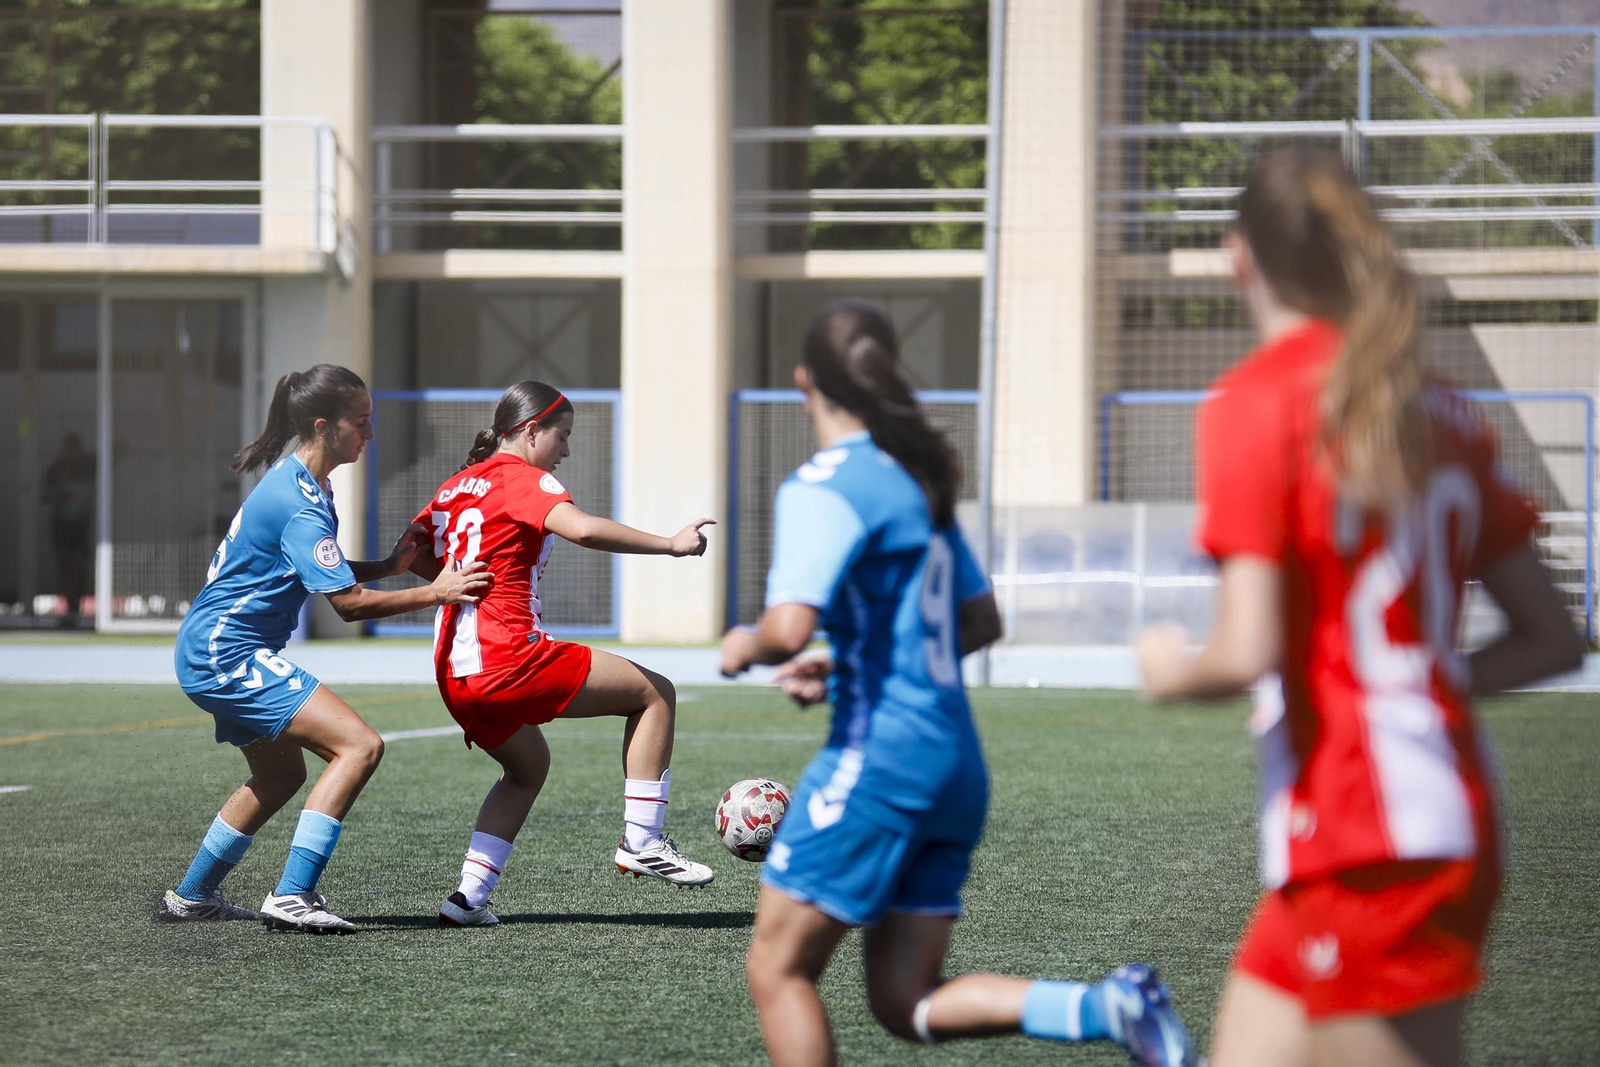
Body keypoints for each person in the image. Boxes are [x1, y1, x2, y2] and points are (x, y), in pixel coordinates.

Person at [1134, 147, 1587, 1067]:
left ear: (1238, 256)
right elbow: (1553, 637)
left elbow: (1244, 648)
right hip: (1392, 818)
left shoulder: (1258, 399)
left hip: (1371, 836)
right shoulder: (1442, 409)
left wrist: (1167, 668)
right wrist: (1421, 683)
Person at [720, 301, 1197, 1067]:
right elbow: (979, 620)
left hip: (882, 758)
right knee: (904, 999)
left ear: (805, 380)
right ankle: (1107, 1004)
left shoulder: (822, 483)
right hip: (954, 767)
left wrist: (744, 642)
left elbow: (786, 626)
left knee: (777, 969)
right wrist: (848, 661)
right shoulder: (915, 482)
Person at [165, 364, 491, 934]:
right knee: (359, 746)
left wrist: (389, 567)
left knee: (279, 778)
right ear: (323, 426)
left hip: (212, 649)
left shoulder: (305, 485)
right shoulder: (301, 501)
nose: (370, 433)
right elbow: (349, 605)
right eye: (360, 422)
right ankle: (292, 895)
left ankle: (193, 896)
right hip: (226, 654)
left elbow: (325, 571)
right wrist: (436, 592)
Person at [412, 380, 718, 928]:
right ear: (531, 431)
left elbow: (409, 555)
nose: (567, 450)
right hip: (507, 657)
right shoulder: (523, 478)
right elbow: (585, 531)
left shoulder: (457, 484)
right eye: (563, 435)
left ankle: (468, 899)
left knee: (527, 769)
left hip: (454, 673)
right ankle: (643, 841)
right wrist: (671, 545)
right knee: (655, 694)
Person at [41, 432, 96, 627]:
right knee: (65, 567)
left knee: (80, 567)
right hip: (62, 526)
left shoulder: (89, 467)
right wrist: (61, 496)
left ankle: (76, 608)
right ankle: (69, 607)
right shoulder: (56, 470)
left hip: (81, 527)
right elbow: (43, 496)